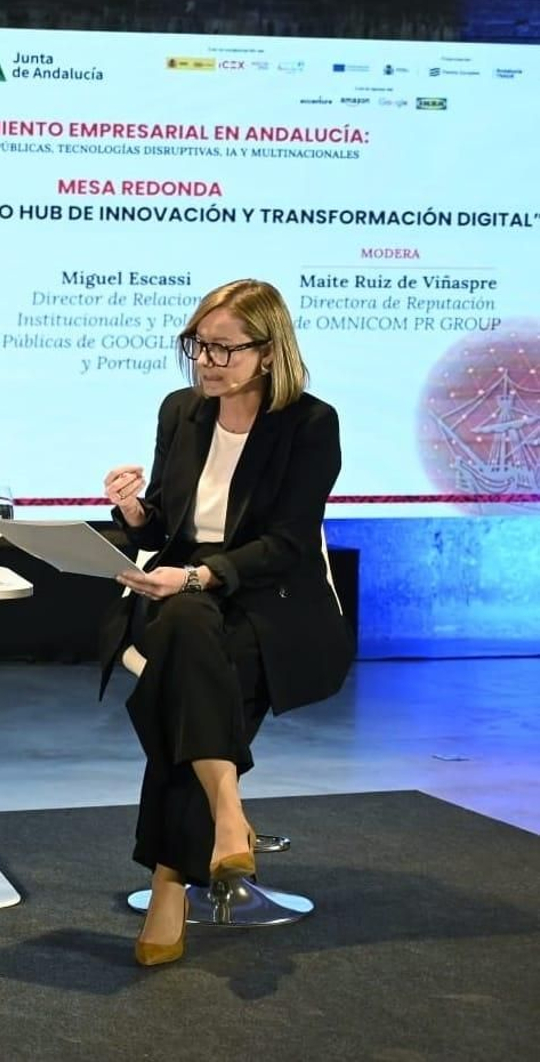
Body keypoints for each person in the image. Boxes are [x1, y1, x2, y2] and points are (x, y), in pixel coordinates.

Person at [96, 278, 353, 967]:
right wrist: (134, 512)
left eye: (223, 348)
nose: (206, 362)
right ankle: (228, 811)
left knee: (186, 668)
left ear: (268, 352)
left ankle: (168, 884)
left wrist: (199, 577)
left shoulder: (309, 424)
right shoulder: (181, 411)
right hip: (181, 595)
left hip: (269, 597)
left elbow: (287, 544)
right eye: (198, 345)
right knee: (186, 629)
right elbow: (167, 528)